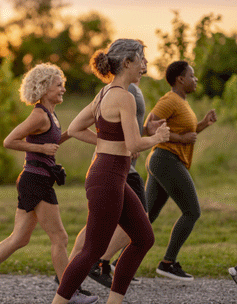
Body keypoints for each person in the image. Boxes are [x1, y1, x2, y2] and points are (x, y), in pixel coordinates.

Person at [0, 63, 98, 304]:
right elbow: (9, 141)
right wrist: (40, 148)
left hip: (35, 180)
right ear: (44, 88)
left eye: (63, 85)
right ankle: (69, 293)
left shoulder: (51, 115)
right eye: (59, 85)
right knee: (60, 238)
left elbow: (54, 141)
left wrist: (75, 131)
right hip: (35, 181)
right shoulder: (39, 114)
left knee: (19, 238)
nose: (63, 89)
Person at [52, 39, 170, 304]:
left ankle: (114, 301)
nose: (144, 65)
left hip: (109, 175)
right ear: (127, 62)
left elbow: (74, 127)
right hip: (107, 178)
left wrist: (105, 142)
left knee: (142, 237)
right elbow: (134, 144)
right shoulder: (125, 97)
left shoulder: (105, 93)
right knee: (92, 250)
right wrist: (158, 137)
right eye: (141, 58)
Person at [144, 60, 217, 281]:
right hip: (166, 159)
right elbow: (149, 127)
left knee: (147, 216)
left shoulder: (182, 102)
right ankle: (167, 263)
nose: (195, 80)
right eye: (192, 76)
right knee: (192, 212)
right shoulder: (169, 100)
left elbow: (187, 133)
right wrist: (180, 138)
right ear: (180, 79)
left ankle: (115, 261)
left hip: (166, 160)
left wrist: (203, 124)